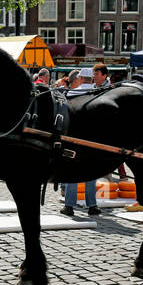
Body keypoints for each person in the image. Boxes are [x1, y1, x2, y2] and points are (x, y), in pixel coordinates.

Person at [61, 72, 99, 217]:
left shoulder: (72, 93)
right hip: (94, 139)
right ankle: (92, 205)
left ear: (80, 78)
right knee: (92, 172)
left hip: (75, 137)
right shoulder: (99, 92)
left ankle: (69, 206)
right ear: (92, 78)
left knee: (73, 171)